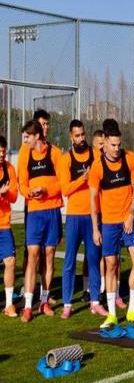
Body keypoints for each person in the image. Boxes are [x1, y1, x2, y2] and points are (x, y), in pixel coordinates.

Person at [89, 119, 134, 328]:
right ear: (105, 142)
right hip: (108, 223)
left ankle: (132, 310)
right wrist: (95, 229)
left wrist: (131, 214)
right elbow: (93, 201)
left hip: (128, 220)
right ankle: (112, 315)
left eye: (119, 144)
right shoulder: (97, 167)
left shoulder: (130, 159)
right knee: (111, 265)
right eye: (113, 145)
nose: (116, 149)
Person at [58, 120, 107, 318]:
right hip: (74, 217)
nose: (80, 138)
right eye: (77, 135)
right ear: (71, 136)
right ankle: (67, 303)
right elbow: (65, 189)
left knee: (94, 259)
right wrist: (82, 179)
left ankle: (95, 301)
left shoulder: (96, 155)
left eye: (83, 135)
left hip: (93, 216)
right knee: (69, 261)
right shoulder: (66, 159)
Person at [18, 120, 63, 322]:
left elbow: (62, 183)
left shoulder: (55, 153)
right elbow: (21, 183)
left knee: (49, 254)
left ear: (37, 136)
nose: (25, 140)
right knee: (33, 254)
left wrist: (46, 190)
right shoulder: (24, 153)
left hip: (52, 211)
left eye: (27, 136)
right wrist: (30, 192)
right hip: (34, 212)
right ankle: (28, 306)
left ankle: (44, 302)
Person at [0, 136, 19, 317]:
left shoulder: (10, 169)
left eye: (3, 152)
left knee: (10, 261)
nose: (1, 154)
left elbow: (14, 197)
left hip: (4, 225)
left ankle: (8, 305)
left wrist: (6, 194)